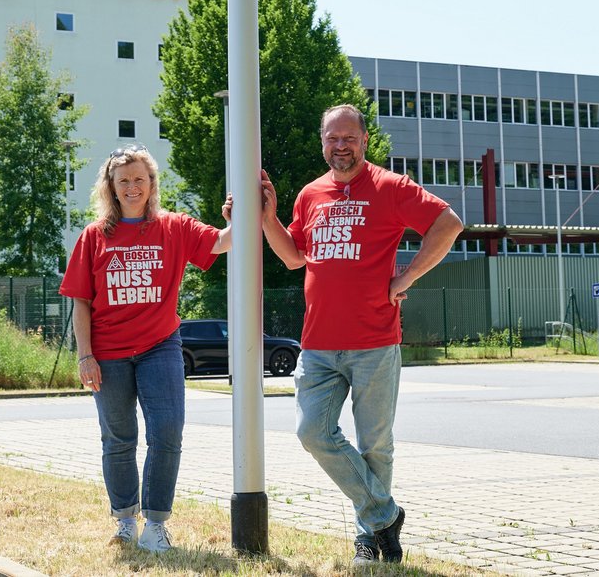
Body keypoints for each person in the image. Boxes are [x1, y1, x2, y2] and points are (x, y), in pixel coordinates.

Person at [259, 104, 462, 565]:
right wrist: (269, 216)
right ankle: (385, 515)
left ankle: (370, 540)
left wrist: (406, 277)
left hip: (375, 340)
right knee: (312, 431)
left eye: (349, 137)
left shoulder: (390, 187)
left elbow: (448, 224)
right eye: (333, 138)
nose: (341, 146)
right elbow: (294, 257)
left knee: (375, 446)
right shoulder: (310, 195)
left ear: (364, 141)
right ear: (323, 142)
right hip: (317, 343)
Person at [60, 145, 231, 552]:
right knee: (118, 439)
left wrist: (236, 217)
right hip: (108, 352)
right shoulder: (94, 236)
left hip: (160, 346)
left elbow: (224, 242)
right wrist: (85, 355)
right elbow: (80, 301)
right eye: (124, 181)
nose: (133, 187)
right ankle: (124, 520)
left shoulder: (173, 227)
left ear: (151, 184)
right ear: (112, 188)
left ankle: (155, 524)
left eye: (140, 179)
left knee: (168, 431)